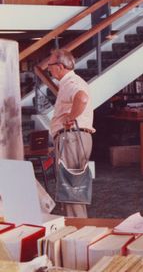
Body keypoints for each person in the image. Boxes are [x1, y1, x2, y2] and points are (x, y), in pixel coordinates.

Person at [48, 49, 95, 218]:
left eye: (50, 66)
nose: (49, 69)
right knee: (72, 186)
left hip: (71, 137)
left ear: (60, 66)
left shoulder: (71, 82)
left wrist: (70, 117)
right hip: (75, 137)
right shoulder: (71, 82)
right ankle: (77, 228)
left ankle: (77, 232)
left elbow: (81, 98)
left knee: (70, 187)